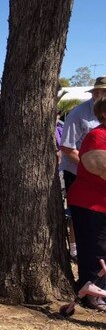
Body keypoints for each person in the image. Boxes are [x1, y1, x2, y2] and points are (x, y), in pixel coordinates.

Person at [67, 97, 106, 312]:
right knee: (95, 251)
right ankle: (90, 294)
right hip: (90, 204)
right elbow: (100, 168)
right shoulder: (97, 136)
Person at [61, 76, 106, 258]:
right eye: (97, 91)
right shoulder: (78, 113)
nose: (98, 94)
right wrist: (91, 170)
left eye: (102, 91)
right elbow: (67, 147)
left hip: (99, 176)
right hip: (77, 170)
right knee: (79, 214)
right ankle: (74, 248)